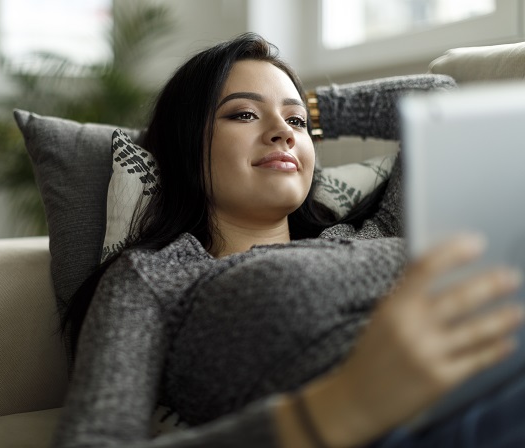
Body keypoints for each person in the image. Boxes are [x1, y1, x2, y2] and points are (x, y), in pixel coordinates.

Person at [51, 33, 524, 448]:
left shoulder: (373, 231)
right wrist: (335, 410)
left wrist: (312, 108)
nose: (282, 133)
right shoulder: (157, 276)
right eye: (242, 114)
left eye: (296, 125)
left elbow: (437, 97)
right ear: (186, 145)